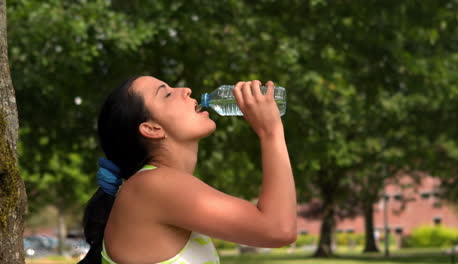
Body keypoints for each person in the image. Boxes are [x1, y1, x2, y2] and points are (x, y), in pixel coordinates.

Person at [79, 76, 297, 264]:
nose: (186, 90)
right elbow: (278, 229)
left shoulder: (153, 186)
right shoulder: (153, 185)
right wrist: (271, 132)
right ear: (152, 128)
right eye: (166, 94)